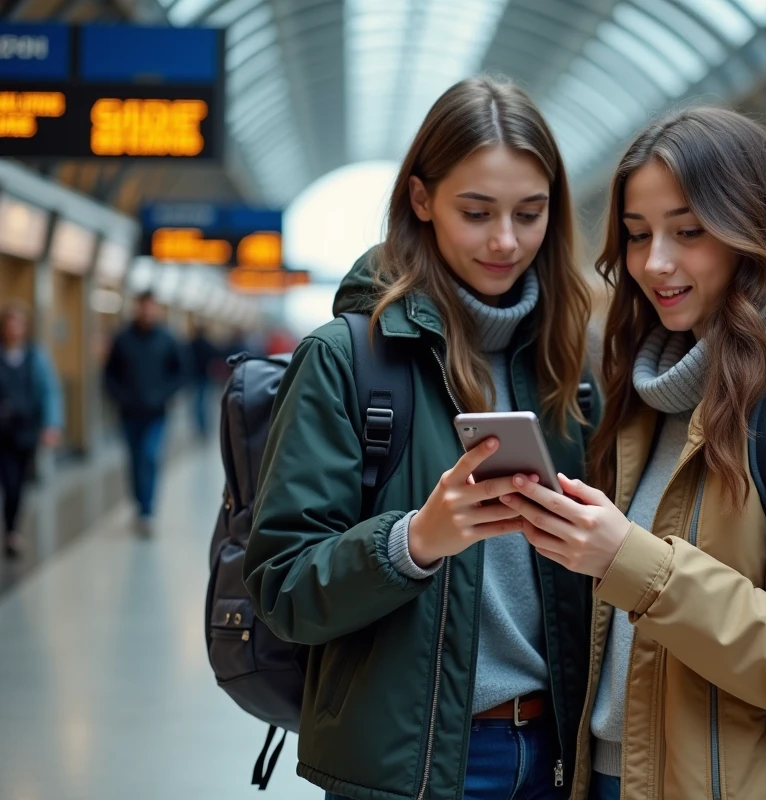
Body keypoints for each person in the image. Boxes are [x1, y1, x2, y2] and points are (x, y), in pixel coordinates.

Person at [497, 108, 766, 800]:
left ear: (752, 229)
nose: (654, 262)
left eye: (688, 232)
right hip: (619, 775)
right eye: (637, 236)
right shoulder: (648, 392)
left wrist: (628, 561)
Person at [243, 77, 597, 800]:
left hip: (561, 757)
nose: (506, 240)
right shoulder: (349, 359)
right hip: (417, 763)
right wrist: (413, 541)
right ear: (421, 200)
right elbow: (282, 586)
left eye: (530, 214)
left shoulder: (572, 367)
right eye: (477, 212)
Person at [103, 291, 186, 536]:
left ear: (157, 309)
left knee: (149, 457)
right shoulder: (123, 338)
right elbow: (109, 374)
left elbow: (181, 372)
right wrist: (120, 396)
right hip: (128, 412)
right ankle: (139, 503)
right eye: (143, 307)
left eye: (152, 307)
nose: (147, 312)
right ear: (137, 307)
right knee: (134, 459)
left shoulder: (168, 339)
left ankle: (147, 511)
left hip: (156, 412)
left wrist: (164, 394)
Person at [0, 301, 62, 559]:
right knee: (7, 480)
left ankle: (12, 530)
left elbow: (50, 391)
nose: (14, 328)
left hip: (24, 431)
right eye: (9, 322)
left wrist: (52, 424)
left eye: (18, 322)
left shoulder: (36, 357)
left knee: (15, 484)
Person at [188, 325, 220, 438]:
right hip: (205, 376)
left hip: (194, 377)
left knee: (197, 403)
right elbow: (216, 354)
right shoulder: (207, 344)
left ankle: (200, 426)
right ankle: (204, 426)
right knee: (204, 402)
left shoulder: (191, 344)